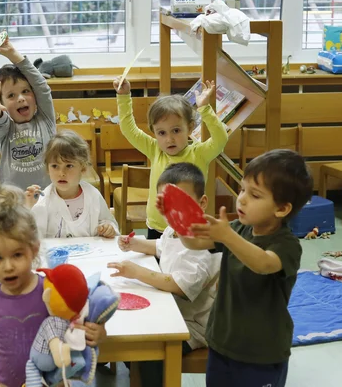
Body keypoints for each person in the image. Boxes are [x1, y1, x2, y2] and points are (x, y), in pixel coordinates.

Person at [165, 149, 313, 387]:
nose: (241, 198)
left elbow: (263, 264)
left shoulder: (287, 245)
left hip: (261, 353)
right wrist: (176, 218)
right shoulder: (238, 229)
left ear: (282, 209)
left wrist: (227, 236)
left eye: (255, 195)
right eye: (242, 189)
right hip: (222, 342)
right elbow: (195, 242)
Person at [0, 186, 106, 387]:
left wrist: (99, 333)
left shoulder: (52, 292)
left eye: (17, 255)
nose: (8, 266)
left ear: (34, 250)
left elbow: (81, 323)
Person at [109, 162, 221, 387]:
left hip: (193, 326)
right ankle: (138, 373)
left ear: (202, 203)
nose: (174, 210)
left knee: (150, 354)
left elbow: (179, 286)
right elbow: (160, 246)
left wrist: (137, 272)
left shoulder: (204, 244)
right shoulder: (174, 229)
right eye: (168, 204)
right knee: (131, 340)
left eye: (182, 202)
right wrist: (135, 244)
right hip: (170, 311)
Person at [114, 77, 228, 239]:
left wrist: (205, 109)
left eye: (176, 130)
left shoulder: (199, 153)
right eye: (162, 133)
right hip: (157, 228)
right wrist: (124, 96)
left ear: (189, 127)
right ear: (154, 132)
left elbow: (220, 139)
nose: (169, 139)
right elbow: (128, 129)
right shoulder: (155, 149)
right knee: (156, 264)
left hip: (189, 228)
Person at [0, 33, 56, 190]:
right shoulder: (6, 129)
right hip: (13, 201)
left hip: (46, 197)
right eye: (11, 95)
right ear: (2, 103)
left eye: (26, 91)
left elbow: (42, 87)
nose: (20, 98)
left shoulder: (45, 119)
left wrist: (13, 55)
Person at [25, 130, 118, 239]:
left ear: (82, 168)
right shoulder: (43, 201)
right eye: (55, 166)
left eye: (69, 166)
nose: (61, 173)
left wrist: (108, 228)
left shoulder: (93, 195)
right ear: (47, 168)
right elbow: (32, 238)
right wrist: (28, 209)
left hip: (90, 254)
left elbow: (107, 221)